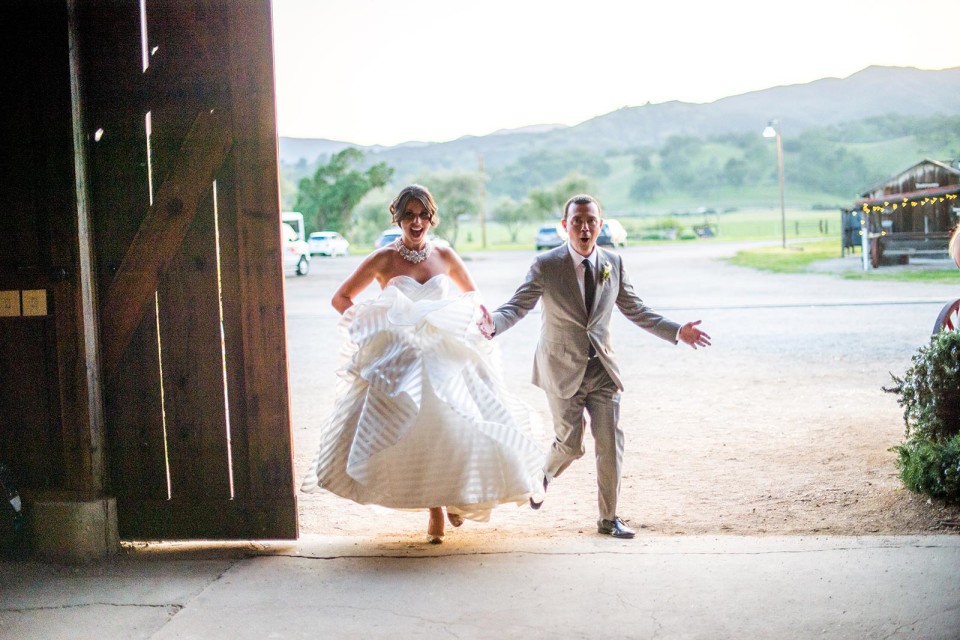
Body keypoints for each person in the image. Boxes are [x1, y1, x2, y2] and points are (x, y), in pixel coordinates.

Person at [301, 184, 543, 543]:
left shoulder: (445, 255)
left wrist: (477, 326)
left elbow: (473, 297)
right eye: (409, 215)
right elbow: (342, 298)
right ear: (397, 218)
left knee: (463, 425)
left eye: (422, 215)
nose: (416, 222)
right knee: (416, 431)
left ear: (431, 218)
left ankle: (457, 498)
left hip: (446, 351)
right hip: (403, 354)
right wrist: (374, 323)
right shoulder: (383, 258)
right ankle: (434, 510)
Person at [478, 194, 711, 539]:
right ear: (565, 226)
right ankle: (543, 473)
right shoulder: (546, 265)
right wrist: (493, 324)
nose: (584, 228)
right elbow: (518, 305)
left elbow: (637, 310)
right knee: (570, 445)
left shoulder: (613, 262)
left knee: (610, 444)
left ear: (600, 225)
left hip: (602, 369)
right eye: (577, 221)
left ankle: (608, 518)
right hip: (561, 368)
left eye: (591, 221)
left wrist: (678, 331)